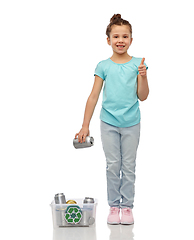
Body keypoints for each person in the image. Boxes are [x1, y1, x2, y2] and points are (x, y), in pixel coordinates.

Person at [75, 14, 149, 225]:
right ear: (108, 39)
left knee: (128, 165)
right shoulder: (103, 66)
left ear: (131, 40)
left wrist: (143, 76)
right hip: (108, 122)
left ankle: (127, 207)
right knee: (112, 165)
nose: (120, 40)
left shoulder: (138, 64)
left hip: (131, 123)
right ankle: (114, 205)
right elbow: (93, 96)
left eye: (125, 36)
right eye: (116, 36)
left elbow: (142, 96)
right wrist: (84, 125)